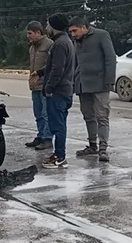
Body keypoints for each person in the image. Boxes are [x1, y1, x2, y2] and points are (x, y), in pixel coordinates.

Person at [69, 17, 117, 162]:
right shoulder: (77, 41)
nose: (72, 34)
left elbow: (110, 58)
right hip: (82, 83)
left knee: (102, 116)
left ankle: (103, 148)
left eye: (75, 31)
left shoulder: (101, 35)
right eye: (70, 31)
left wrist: (109, 81)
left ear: (84, 27)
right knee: (88, 115)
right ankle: (92, 145)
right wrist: (73, 81)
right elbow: (75, 62)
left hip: (100, 83)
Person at [42, 13, 75, 169]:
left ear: (54, 27)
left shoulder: (60, 44)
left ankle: (60, 157)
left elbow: (58, 69)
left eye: (48, 25)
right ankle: (58, 154)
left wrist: (49, 87)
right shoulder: (65, 41)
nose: (46, 28)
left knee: (58, 125)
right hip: (64, 89)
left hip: (58, 92)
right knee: (59, 124)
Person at [24, 20, 54, 151]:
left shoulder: (50, 45)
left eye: (30, 33)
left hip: (45, 86)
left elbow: (52, 65)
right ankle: (41, 136)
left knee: (46, 113)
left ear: (38, 32)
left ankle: (47, 139)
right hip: (34, 86)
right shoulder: (32, 47)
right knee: (38, 114)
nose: (28, 36)